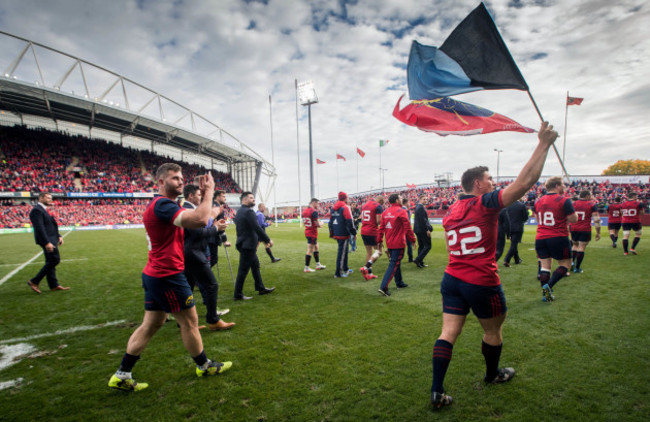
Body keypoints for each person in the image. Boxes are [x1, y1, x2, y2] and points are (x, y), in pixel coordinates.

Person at [430, 122, 559, 409]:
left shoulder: (451, 210)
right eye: (489, 178)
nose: (493, 182)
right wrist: (543, 144)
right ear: (478, 184)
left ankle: (437, 391)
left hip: (452, 278)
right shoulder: (483, 203)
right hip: (480, 281)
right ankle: (492, 375)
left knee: (448, 333)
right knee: (492, 332)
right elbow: (524, 184)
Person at [108, 164, 231, 392]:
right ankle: (204, 365)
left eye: (182, 177)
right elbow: (201, 220)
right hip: (168, 275)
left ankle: (122, 374)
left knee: (151, 324)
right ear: (161, 182)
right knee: (190, 323)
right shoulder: (162, 205)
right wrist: (210, 191)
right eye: (175, 178)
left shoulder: (165, 206)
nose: (181, 181)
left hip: (155, 274)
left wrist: (210, 204)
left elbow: (206, 216)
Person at [182, 184, 235, 331]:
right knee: (211, 285)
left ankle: (183, 323)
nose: (201, 198)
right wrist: (215, 228)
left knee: (187, 287)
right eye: (199, 195)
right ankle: (213, 320)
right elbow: (197, 233)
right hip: (194, 253)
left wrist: (212, 223)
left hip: (188, 252)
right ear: (191, 196)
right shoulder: (189, 209)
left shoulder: (188, 208)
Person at [534, 176, 578, 302]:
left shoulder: (538, 201)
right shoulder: (564, 200)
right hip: (558, 236)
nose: (564, 186)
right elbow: (574, 219)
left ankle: (545, 294)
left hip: (541, 237)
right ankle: (549, 286)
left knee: (545, 266)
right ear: (557, 186)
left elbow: (538, 220)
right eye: (563, 184)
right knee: (565, 264)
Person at [233, 192, 276, 300]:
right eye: (251, 198)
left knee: (255, 266)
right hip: (248, 245)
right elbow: (257, 228)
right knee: (243, 270)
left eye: (253, 198)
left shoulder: (239, 212)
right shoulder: (249, 212)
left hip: (243, 243)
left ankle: (260, 288)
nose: (253, 200)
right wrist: (268, 239)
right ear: (244, 200)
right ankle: (237, 294)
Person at [27, 192, 70, 293]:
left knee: (50, 261)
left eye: (51, 198)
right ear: (41, 198)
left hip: (52, 239)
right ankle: (34, 281)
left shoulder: (43, 210)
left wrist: (59, 236)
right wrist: (46, 242)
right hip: (47, 240)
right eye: (47, 198)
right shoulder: (37, 210)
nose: (50, 200)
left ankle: (53, 285)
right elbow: (40, 228)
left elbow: (50, 226)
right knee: (55, 260)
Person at [377, 194, 416, 296]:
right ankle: (383, 287)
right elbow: (407, 227)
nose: (402, 199)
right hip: (398, 242)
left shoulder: (385, 212)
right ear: (397, 200)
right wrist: (413, 240)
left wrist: (379, 241)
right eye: (400, 198)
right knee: (393, 263)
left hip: (389, 242)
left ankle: (399, 282)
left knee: (395, 262)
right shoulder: (402, 211)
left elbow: (381, 228)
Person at [569, 190, 601, 273]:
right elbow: (596, 220)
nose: (590, 197)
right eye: (590, 195)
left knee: (575, 245)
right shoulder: (591, 204)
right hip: (585, 228)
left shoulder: (573, 204)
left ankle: (572, 262)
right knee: (582, 247)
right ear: (587, 196)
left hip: (574, 228)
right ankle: (577, 268)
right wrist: (598, 232)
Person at [328, 192, 356, 278]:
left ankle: (345, 268)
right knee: (342, 252)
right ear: (345, 198)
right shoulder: (345, 208)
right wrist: (354, 233)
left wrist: (332, 233)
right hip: (343, 233)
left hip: (337, 232)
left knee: (344, 251)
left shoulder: (333, 208)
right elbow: (349, 222)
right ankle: (338, 273)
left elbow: (330, 222)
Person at [359, 195, 385, 280]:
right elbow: (378, 221)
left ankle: (369, 274)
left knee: (369, 253)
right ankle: (365, 268)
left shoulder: (365, 205)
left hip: (363, 230)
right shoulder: (378, 206)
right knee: (379, 252)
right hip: (372, 231)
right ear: (380, 201)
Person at [502, 198, 529, 267]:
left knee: (514, 243)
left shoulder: (507, 205)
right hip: (518, 227)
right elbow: (525, 217)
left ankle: (517, 259)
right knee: (514, 244)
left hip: (509, 227)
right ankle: (507, 260)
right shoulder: (521, 205)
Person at [207, 189, 230, 269]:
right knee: (213, 260)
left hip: (206, 235)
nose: (225, 198)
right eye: (223, 196)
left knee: (208, 259)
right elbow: (221, 226)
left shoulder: (210, 205)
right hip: (212, 237)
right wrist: (225, 240)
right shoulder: (218, 208)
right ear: (218, 197)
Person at [302, 198, 326, 272]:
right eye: (317, 203)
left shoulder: (304, 211)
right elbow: (317, 224)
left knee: (316, 246)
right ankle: (306, 268)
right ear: (314, 203)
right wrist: (321, 224)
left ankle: (318, 264)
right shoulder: (314, 211)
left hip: (307, 231)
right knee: (310, 250)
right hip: (312, 233)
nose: (318, 205)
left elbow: (304, 223)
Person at [413, 194, 433, 268]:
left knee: (421, 246)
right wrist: (427, 229)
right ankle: (418, 260)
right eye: (424, 199)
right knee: (428, 246)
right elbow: (423, 220)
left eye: (426, 199)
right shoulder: (421, 208)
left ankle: (420, 262)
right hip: (422, 229)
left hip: (418, 229)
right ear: (420, 200)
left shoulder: (418, 207)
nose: (425, 200)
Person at [402, 197, 414, 263]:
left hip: (401, 230)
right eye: (408, 202)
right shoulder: (406, 210)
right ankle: (410, 258)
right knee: (409, 244)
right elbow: (407, 221)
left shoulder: (400, 209)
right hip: (406, 230)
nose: (409, 204)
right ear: (406, 203)